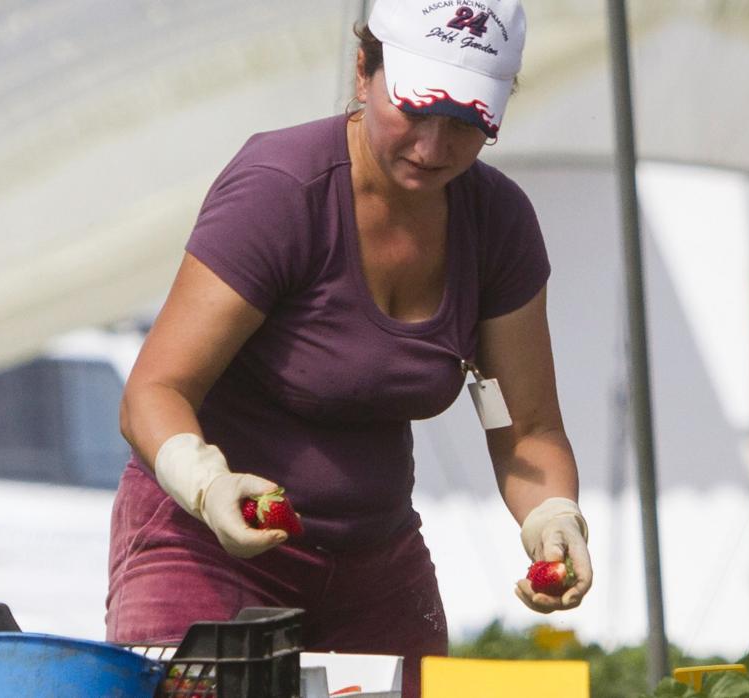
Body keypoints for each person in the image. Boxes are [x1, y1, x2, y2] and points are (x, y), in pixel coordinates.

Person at [106, 0, 591, 693]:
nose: (431, 147)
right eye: (415, 108)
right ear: (363, 70)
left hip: (375, 562)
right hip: (203, 547)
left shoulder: (498, 223)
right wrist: (207, 484)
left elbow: (527, 428)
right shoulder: (280, 189)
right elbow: (154, 391)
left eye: (464, 124)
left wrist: (553, 516)